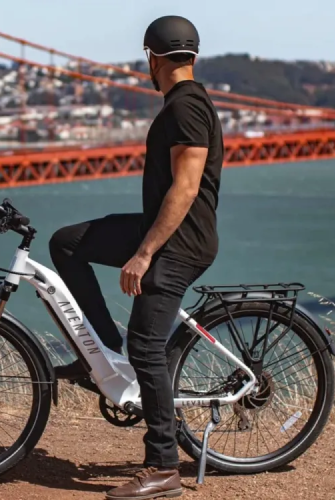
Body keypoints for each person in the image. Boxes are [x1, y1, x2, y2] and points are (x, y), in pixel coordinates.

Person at [47, 15, 224, 500]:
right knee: (66, 243)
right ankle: (100, 356)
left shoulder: (185, 108)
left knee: (147, 346)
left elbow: (186, 188)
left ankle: (164, 468)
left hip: (179, 243)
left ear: (152, 57)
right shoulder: (186, 101)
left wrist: (143, 254)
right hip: (161, 230)